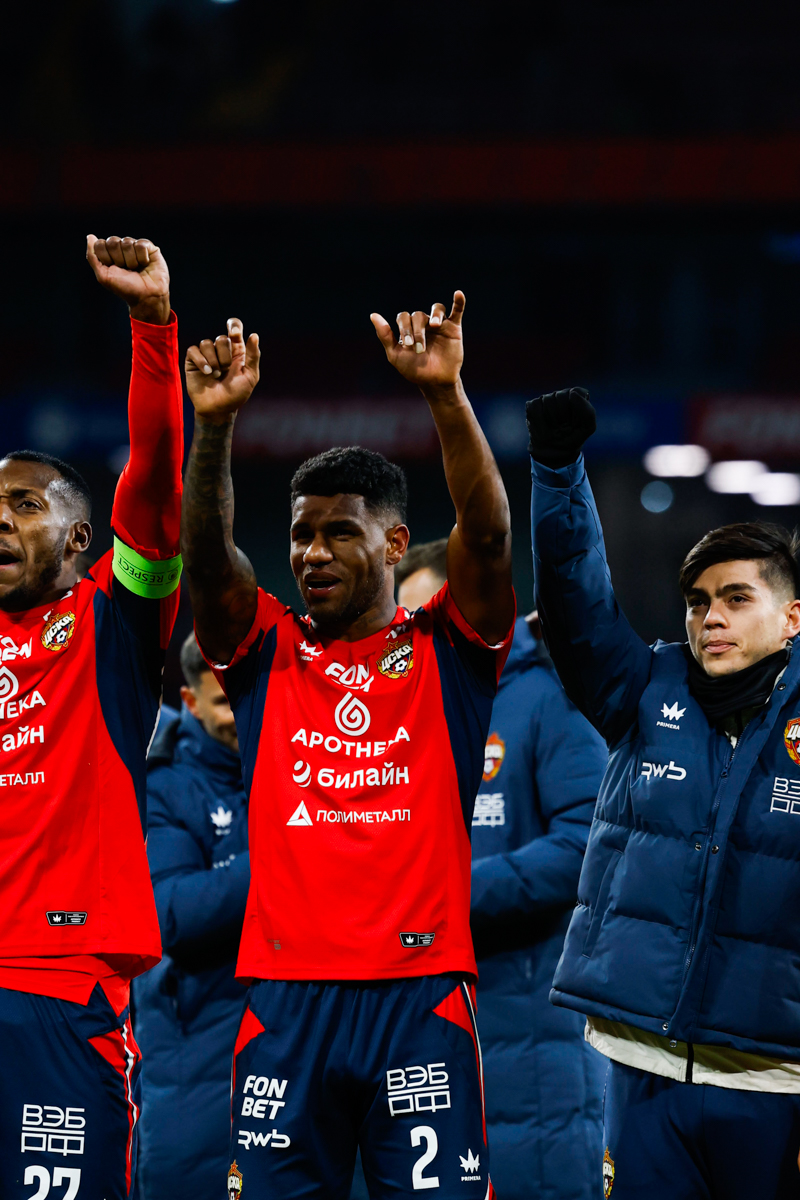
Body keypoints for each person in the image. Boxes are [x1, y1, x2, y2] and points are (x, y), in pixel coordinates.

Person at [180, 293, 515, 1199]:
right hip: (286, 1000)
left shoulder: (447, 648)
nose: (313, 554)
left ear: (396, 542)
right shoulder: (265, 649)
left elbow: (488, 535)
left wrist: (445, 394)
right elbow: (206, 563)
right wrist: (215, 427)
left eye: (339, 532)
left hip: (420, 995)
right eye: (301, 535)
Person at [527, 386, 800, 1200]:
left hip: (776, 1080)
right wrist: (557, 473)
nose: (711, 618)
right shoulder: (644, 689)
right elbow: (576, 605)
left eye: (736, 598)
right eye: (698, 602)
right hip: (643, 1068)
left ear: (792, 618)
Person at [0, 236, 183, 1198]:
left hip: (58, 983)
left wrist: (152, 329)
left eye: (23, 505)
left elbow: (152, 484)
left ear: (79, 536)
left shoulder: (114, 622)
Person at [396, 540, 608, 1200]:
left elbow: (587, 845)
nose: (411, 636)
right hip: (430, 1015)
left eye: (425, 617)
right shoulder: (412, 711)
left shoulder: (549, 696)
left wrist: (443, 897)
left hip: (532, 1017)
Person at [134, 632, 249, 1200]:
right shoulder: (162, 784)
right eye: (225, 701)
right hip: (195, 1049)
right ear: (190, 701)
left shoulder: (297, 766)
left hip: (287, 1042)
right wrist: (287, 852)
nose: (241, 714)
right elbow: (169, 915)